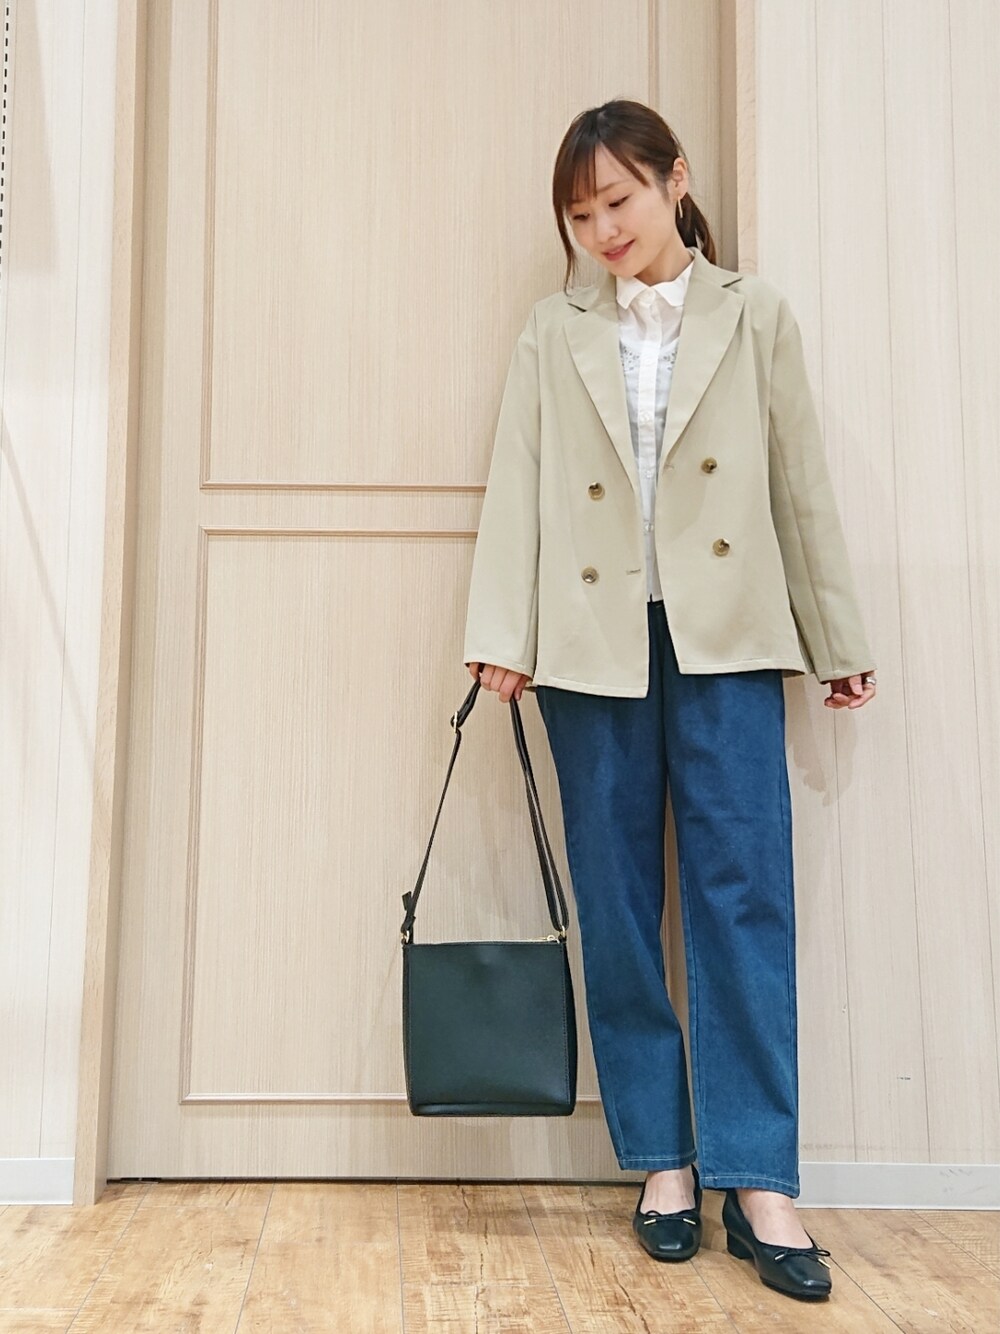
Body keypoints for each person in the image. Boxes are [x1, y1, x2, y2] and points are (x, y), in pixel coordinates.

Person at [462, 99, 876, 1303]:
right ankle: (662, 1160)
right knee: (618, 900)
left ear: (674, 180)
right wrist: (502, 635)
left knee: (744, 897)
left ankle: (760, 1179)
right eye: (580, 213)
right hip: (590, 645)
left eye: (619, 200)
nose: (603, 229)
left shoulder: (754, 315)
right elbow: (517, 481)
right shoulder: (553, 331)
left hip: (727, 637)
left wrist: (834, 635)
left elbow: (798, 482)